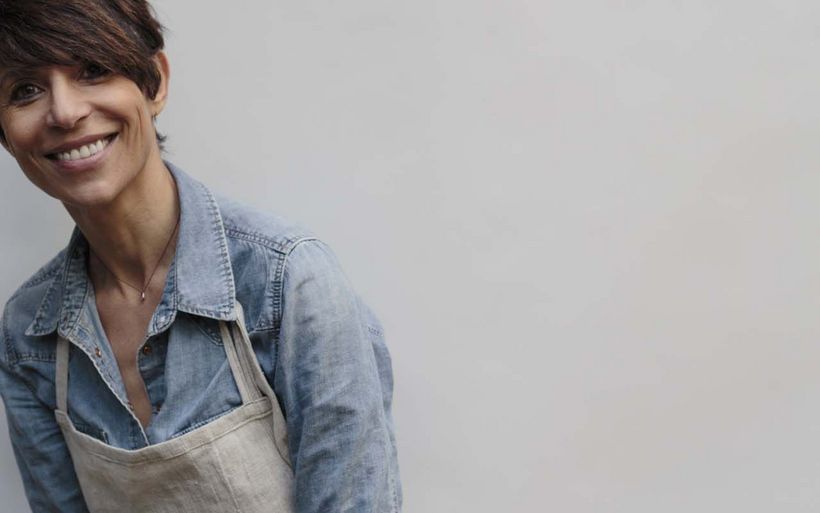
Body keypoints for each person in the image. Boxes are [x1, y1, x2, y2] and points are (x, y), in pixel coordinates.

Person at [0, 1, 401, 512]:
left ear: (156, 84)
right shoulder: (28, 333)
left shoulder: (287, 281)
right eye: (25, 90)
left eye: (93, 70)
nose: (64, 111)